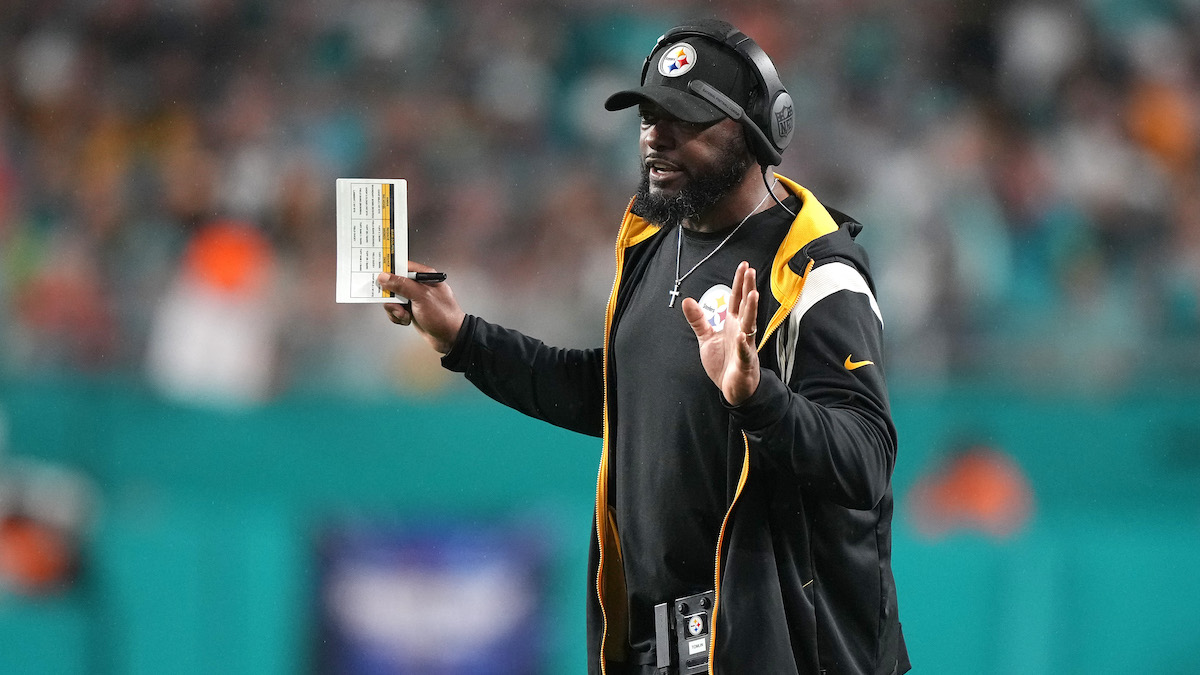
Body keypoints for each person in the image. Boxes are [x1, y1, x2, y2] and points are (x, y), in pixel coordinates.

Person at [377, 19, 909, 675]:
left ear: (755, 129)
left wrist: (756, 397)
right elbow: (621, 395)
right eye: (649, 115)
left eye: (684, 118)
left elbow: (866, 461)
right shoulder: (654, 240)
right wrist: (463, 338)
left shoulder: (816, 271)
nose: (656, 136)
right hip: (660, 645)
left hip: (780, 649)